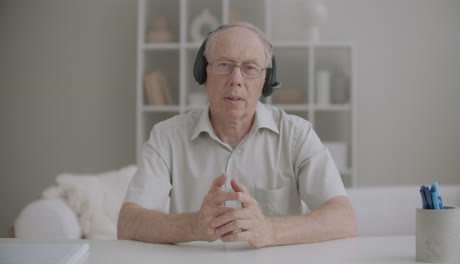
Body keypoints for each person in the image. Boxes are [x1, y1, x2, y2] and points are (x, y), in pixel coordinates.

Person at [118, 22, 358, 248]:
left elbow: (343, 218)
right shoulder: (166, 137)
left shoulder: (297, 134)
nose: (236, 80)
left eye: (250, 68)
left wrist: (269, 229)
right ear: (204, 75)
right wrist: (195, 226)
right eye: (224, 65)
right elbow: (129, 223)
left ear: (266, 80)